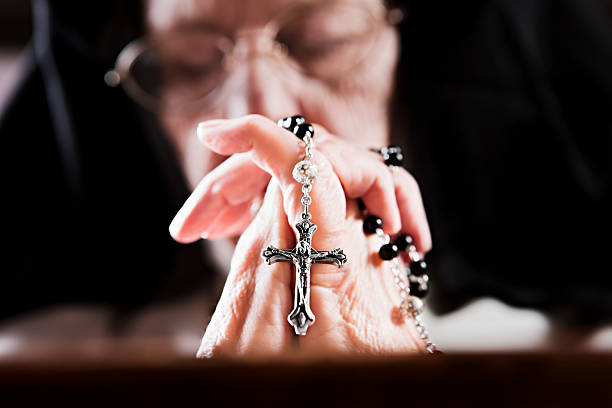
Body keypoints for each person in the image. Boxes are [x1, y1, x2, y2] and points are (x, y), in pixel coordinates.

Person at [1, 0, 611, 355]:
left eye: (320, 45)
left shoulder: (582, 355)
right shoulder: (41, 366)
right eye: (191, 64)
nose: (262, 110)